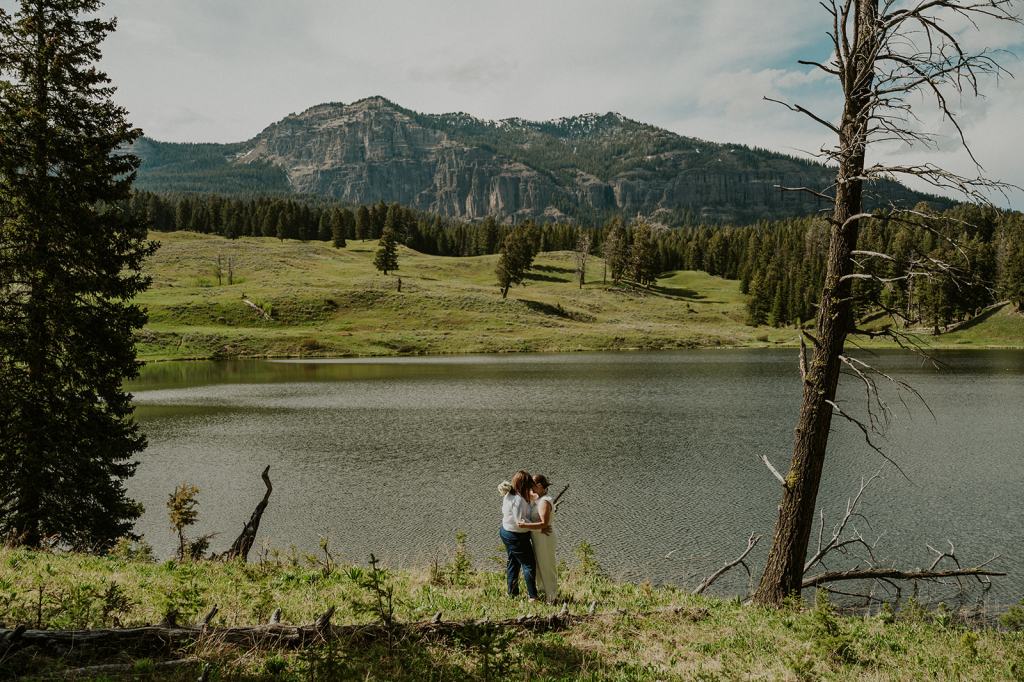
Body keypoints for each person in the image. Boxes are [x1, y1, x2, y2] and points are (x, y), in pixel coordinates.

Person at [499, 470, 539, 601]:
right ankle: (532, 596)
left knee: (513, 562)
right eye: (528, 485)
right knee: (529, 565)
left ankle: (512, 593)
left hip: (506, 531)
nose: (530, 488)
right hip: (516, 535)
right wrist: (537, 525)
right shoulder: (517, 500)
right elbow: (519, 522)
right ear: (523, 485)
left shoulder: (511, 495)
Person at [518, 474, 557, 602]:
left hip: (544, 537)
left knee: (546, 565)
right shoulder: (539, 498)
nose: (530, 489)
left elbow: (544, 524)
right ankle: (544, 591)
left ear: (539, 486)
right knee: (539, 565)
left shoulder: (544, 501)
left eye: (532, 486)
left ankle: (552, 596)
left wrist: (525, 525)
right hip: (538, 537)